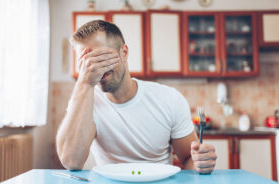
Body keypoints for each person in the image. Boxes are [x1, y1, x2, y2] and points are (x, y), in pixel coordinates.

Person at [56, 20, 217, 174]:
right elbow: (71, 161)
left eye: (101, 58)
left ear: (124, 52)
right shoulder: (84, 100)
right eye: (87, 62)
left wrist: (200, 162)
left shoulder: (169, 99)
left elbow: (189, 158)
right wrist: (84, 83)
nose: (95, 69)